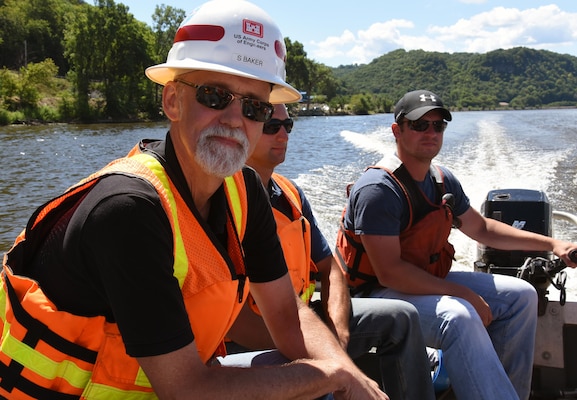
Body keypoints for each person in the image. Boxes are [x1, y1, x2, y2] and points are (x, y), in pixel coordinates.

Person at [0, 2, 387, 399]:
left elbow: (288, 319)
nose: (236, 119)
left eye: (255, 107)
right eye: (215, 95)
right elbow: (187, 390)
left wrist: (343, 370)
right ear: (172, 101)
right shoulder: (126, 210)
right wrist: (328, 377)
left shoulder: (244, 191)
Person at [335, 89, 577, 400]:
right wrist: (463, 293)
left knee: (522, 296)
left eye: (438, 126)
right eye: (420, 125)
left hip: (424, 279)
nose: (431, 133)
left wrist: (554, 244)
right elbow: (389, 273)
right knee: (458, 314)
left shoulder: (441, 180)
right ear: (397, 130)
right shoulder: (378, 189)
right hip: (375, 294)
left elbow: (483, 228)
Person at [223, 103, 435, 399]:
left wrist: (338, 330)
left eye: (288, 126)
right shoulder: (222, 203)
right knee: (316, 372)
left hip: (301, 320)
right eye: (272, 126)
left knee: (400, 316)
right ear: (246, 128)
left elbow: (331, 267)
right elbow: (237, 324)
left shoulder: (290, 193)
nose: (283, 135)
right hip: (249, 342)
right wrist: (324, 351)